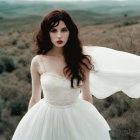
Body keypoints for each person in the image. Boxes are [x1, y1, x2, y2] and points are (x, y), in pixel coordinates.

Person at [12, 9, 140, 140]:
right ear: (47, 33)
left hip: (75, 116)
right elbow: (35, 98)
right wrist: (30, 126)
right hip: (46, 118)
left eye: (64, 30)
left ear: (70, 32)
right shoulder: (38, 61)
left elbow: (86, 96)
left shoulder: (81, 60)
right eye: (53, 31)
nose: (59, 36)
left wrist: (88, 125)